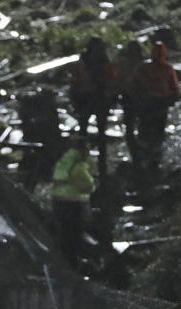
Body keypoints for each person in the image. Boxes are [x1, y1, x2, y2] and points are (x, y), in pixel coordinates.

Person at [69, 37, 118, 179]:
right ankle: (92, 162)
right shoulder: (89, 63)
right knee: (90, 131)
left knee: (94, 130)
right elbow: (74, 81)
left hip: (94, 98)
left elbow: (112, 81)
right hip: (90, 98)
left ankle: (94, 161)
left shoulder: (92, 62)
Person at [134, 42, 179, 168]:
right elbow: (137, 85)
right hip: (150, 103)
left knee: (154, 131)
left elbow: (174, 87)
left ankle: (152, 157)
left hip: (158, 103)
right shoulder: (146, 68)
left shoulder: (166, 69)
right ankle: (148, 156)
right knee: (148, 130)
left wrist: (172, 98)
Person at [51, 139, 95, 265]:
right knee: (75, 232)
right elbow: (87, 185)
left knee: (64, 231)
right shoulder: (78, 165)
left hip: (58, 201)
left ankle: (65, 259)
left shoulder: (63, 162)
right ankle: (75, 260)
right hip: (73, 202)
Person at [116, 40, 144, 160]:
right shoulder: (141, 65)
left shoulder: (126, 65)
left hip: (132, 97)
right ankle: (137, 149)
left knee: (131, 125)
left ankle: (136, 148)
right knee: (135, 124)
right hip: (136, 98)